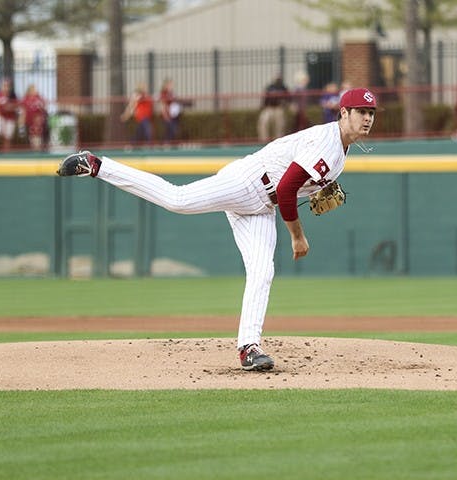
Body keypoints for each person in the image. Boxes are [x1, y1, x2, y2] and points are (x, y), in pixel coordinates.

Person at [56, 87, 378, 371]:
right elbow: (286, 190)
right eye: (360, 112)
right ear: (344, 112)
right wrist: (298, 236)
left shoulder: (340, 154)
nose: (367, 118)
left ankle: (249, 348)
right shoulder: (326, 143)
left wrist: (316, 189)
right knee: (177, 199)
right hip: (248, 182)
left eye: (371, 113)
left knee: (262, 270)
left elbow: (297, 186)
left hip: (262, 207)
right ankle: (97, 165)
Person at [159, 78, 191, 144]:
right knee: (172, 131)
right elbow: (163, 105)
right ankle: (166, 144)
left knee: (171, 132)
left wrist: (186, 103)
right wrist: (166, 116)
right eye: (170, 84)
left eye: (172, 84)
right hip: (168, 116)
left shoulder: (171, 93)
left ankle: (168, 144)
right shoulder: (164, 93)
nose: (172, 86)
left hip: (174, 116)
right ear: (166, 85)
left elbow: (176, 101)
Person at [257, 75, 288, 141]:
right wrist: (263, 106)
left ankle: (278, 140)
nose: (278, 80)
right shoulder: (270, 87)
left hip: (279, 108)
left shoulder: (283, 88)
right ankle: (263, 140)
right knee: (264, 122)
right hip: (269, 108)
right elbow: (265, 98)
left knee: (280, 124)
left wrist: (284, 103)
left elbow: (288, 98)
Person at [18, 84, 47, 151]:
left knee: (39, 139)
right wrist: (21, 127)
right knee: (33, 139)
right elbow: (22, 113)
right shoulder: (25, 99)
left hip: (38, 123)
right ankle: (36, 151)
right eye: (32, 89)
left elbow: (43, 107)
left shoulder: (39, 98)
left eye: (34, 89)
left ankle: (38, 150)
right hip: (30, 123)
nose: (34, 90)